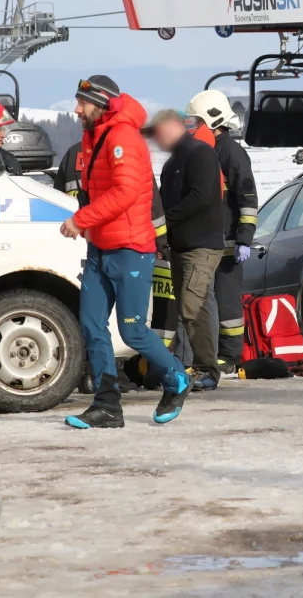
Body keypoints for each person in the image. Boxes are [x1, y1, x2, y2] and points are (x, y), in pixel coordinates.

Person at [59, 75, 192, 428]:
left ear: (101, 103)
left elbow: (125, 193)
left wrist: (81, 219)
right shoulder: (95, 135)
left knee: (132, 331)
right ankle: (107, 405)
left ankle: (175, 377)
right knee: (90, 324)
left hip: (131, 249)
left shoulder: (122, 137)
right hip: (101, 247)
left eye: (82, 102)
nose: (76, 109)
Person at [147, 108, 225, 391]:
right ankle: (192, 366)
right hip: (179, 246)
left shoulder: (201, 153)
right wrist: (161, 237)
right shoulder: (171, 165)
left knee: (194, 306)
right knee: (185, 308)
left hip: (201, 245)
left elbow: (201, 197)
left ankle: (207, 370)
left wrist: (166, 221)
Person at [185, 89, 258, 373]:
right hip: (205, 242)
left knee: (227, 306)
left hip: (228, 244)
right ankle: (208, 354)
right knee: (204, 302)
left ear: (213, 121)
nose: (193, 127)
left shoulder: (232, 153)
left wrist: (244, 240)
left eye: (197, 122)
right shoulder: (202, 151)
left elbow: (248, 200)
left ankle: (229, 357)